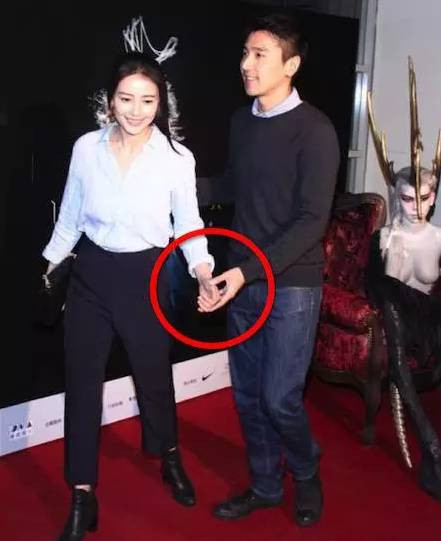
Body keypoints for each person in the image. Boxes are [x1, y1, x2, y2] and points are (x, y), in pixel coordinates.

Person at [42, 52, 218, 541]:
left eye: (147, 100)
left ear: (160, 103)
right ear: (110, 100)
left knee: (153, 377)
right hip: (91, 274)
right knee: (82, 385)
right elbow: (71, 216)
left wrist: (204, 272)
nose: (136, 111)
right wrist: (48, 267)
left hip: (146, 275)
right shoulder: (86, 149)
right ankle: (82, 494)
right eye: (126, 99)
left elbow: (188, 225)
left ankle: (169, 455)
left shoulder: (177, 158)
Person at [198, 14, 340, 526]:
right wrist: (175, 188)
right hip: (243, 279)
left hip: (292, 286)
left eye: (260, 54)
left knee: (280, 399)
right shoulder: (242, 122)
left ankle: (305, 470)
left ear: (291, 65)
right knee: (247, 396)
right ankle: (264, 485)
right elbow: (233, 185)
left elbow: (311, 222)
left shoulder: (315, 131)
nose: (247, 63)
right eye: (245, 52)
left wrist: (246, 272)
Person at [366, 166, 441, 500]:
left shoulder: (439, 239)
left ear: (434, 196)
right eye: (408, 199)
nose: (417, 208)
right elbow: (374, 291)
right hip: (396, 325)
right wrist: (393, 262)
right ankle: (430, 442)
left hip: (431, 323)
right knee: (391, 306)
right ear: (397, 198)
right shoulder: (382, 239)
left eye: (424, 197)